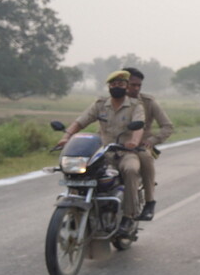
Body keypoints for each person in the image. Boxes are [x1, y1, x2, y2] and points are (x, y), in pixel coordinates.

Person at [56, 70, 145, 235]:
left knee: (131, 170)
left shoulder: (135, 106)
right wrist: (66, 137)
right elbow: (80, 121)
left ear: (126, 86)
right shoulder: (100, 105)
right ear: (109, 86)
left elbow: (139, 127)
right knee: (81, 174)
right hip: (102, 153)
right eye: (113, 84)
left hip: (125, 152)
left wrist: (134, 142)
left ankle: (128, 216)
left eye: (120, 84)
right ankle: (77, 209)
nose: (116, 87)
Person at [123, 66, 174, 221]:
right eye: (132, 84)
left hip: (139, 146)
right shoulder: (108, 102)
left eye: (139, 85)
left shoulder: (148, 102)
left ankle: (149, 201)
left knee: (145, 158)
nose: (136, 88)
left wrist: (151, 141)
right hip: (114, 146)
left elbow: (167, 126)